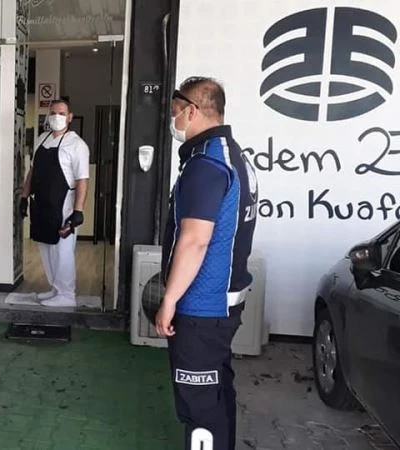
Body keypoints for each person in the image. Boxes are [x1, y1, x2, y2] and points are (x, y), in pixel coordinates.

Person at [155, 77, 258, 450]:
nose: (173, 121)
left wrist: (169, 300)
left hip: (202, 307)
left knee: (200, 408)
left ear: (192, 110)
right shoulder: (234, 156)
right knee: (217, 394)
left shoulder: (206, 164)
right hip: (222, 304)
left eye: (175, 112)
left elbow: (195, 240)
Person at [19, 99, 90, 307]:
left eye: (61, 113)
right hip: (41, 204)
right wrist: (24, 196)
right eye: (53, 113)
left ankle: (67, 294)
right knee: (46, 247)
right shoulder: (42, 139)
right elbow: (32, 171)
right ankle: (56, 288)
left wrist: (78, 211)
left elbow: (82, 180)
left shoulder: (77, 145)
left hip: (63, 205)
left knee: (62, 250)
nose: (56, 117)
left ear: (70, 117)